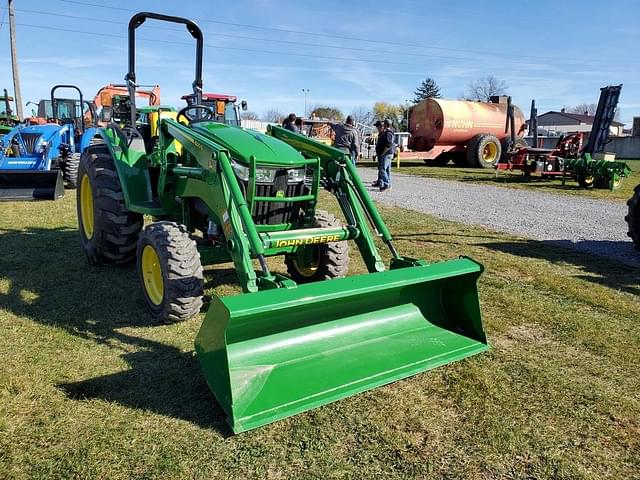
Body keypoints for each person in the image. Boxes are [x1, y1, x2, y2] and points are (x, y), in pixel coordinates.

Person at [373, 119, 395, 192]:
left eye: (384, 124)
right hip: (387, 154)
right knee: (387, 170)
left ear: (386, 125)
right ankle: (387, 183)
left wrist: (383, 153)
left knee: (382, 169)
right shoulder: (387, 132)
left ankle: (387, 184)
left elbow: (388, 144)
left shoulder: (388, 133)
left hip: (387, 154)